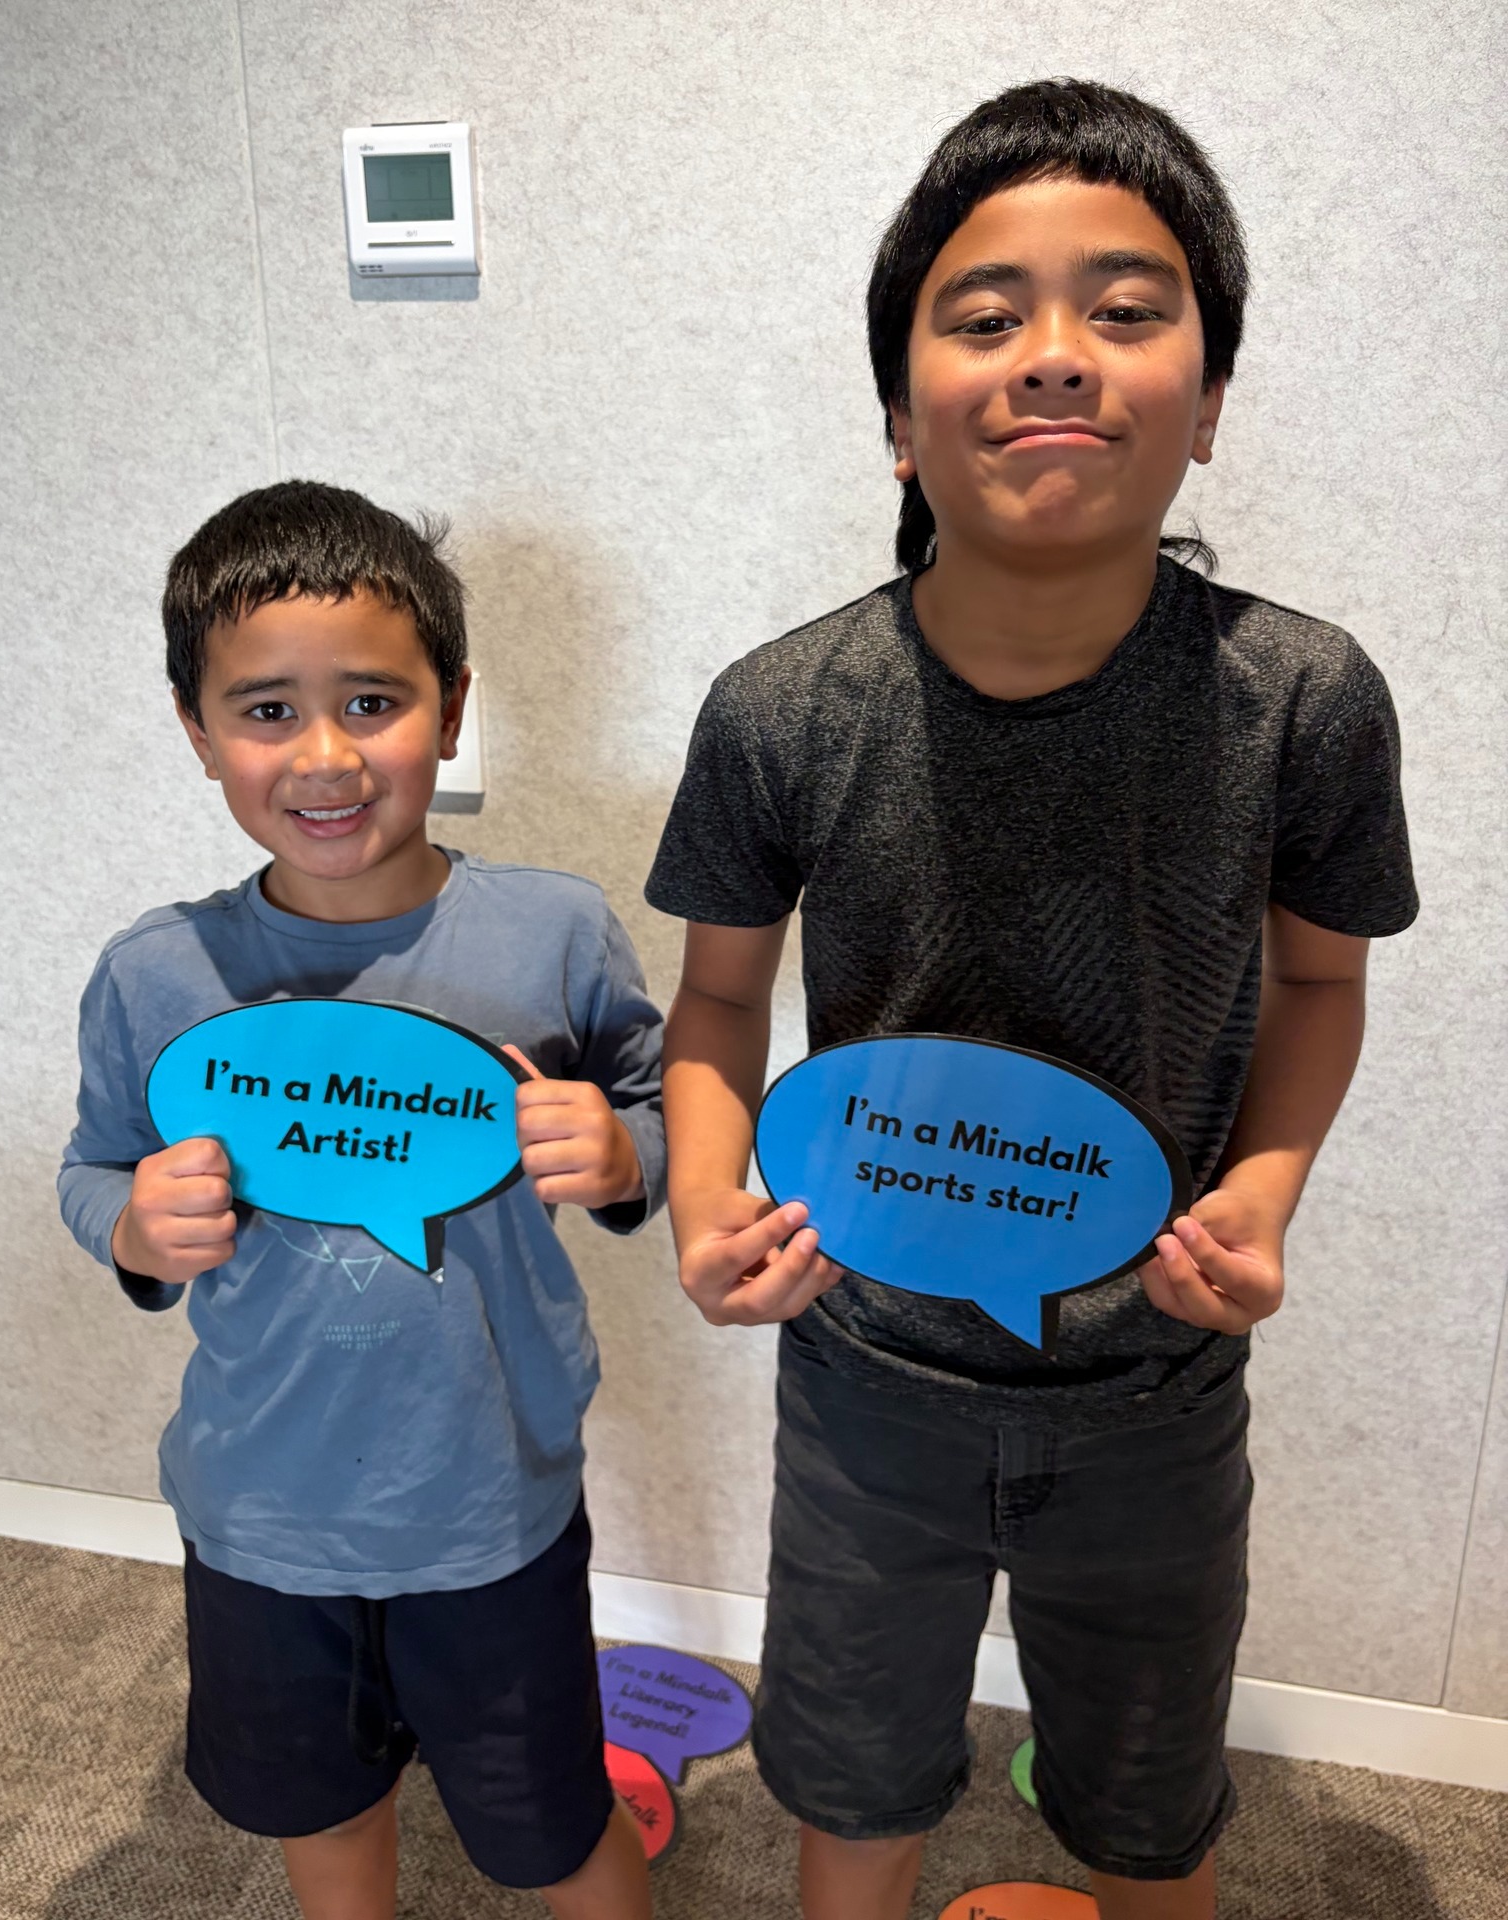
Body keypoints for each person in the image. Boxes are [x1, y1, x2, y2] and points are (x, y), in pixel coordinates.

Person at [645, 79, 1417, 1920]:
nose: (1053, 356)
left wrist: (1264, 1191)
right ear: (902, 417)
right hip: (863, 1376)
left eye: (1128, 310)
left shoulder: (1301, 701)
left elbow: (1319, 977)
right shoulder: (783, 711)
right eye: (986, 318)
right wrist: (699, 1198)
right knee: (851, 1783)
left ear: (1209, 403)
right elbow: (714, 1013)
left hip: (1156, 1383)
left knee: (1151, 1811)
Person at [58, 480, 662, 1920]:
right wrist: (139, 1227)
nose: (324, 755)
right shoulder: (159, 975)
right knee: (322, 1816)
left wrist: (624, 1153)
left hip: (491, 1507)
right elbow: (92, 1170)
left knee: (551, 1825)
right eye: (266, 710)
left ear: (452, 711)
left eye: (374, 702)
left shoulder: (556, 931)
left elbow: (659, 1106)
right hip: (260, 1511)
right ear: (200, 734)